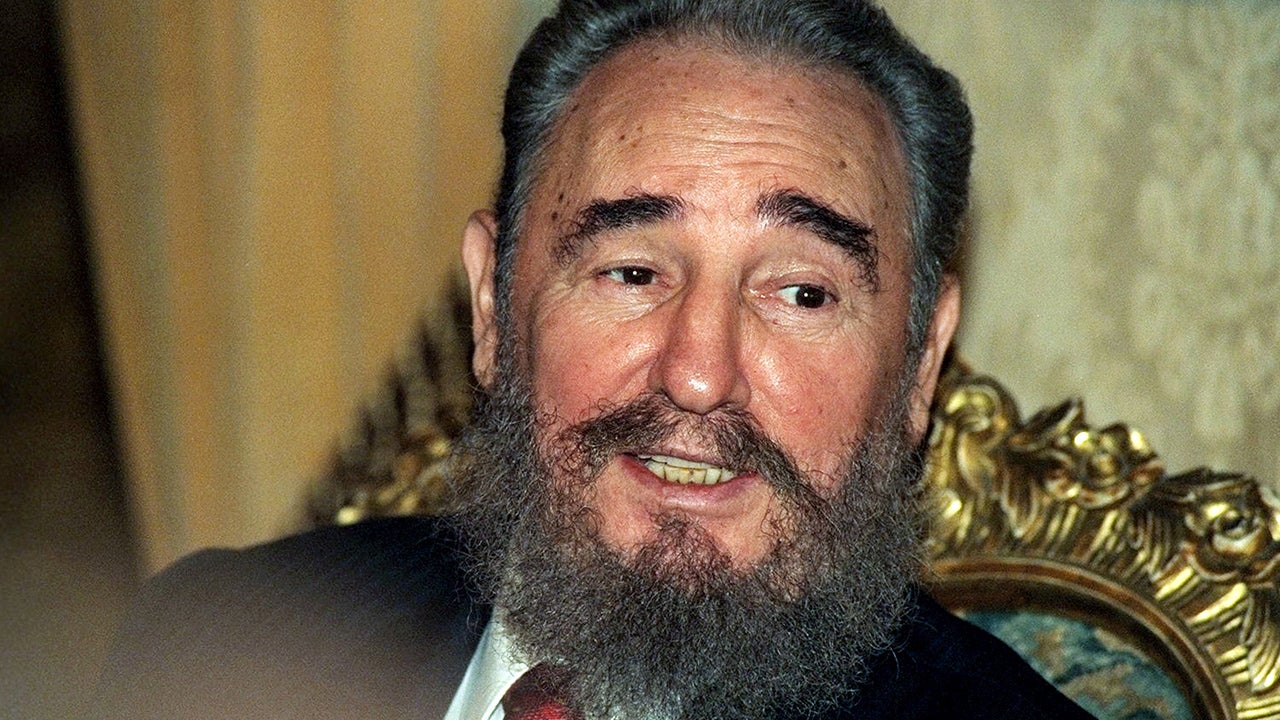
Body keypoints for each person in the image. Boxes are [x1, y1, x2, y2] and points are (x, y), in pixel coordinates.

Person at [93, 1, 1095, 718]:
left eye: (800, 293)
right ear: (493, 307)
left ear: (919, 366)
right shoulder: (217, 643)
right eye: (631, 272)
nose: (697, 374)